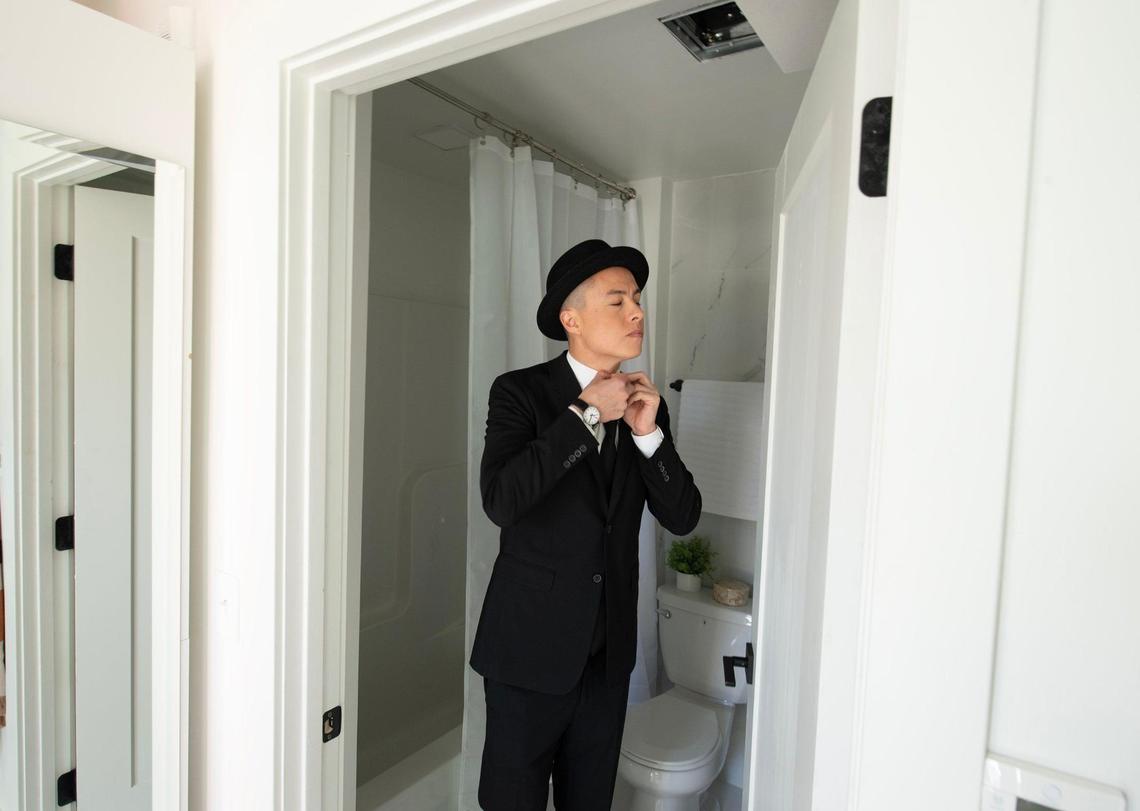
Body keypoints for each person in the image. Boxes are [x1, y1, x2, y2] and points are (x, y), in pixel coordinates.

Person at [470, 238, 703, 810]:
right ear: (570, 319)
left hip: (606, 659)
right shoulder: (520, 393)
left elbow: (682, 516)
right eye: (618, 300)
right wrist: (588, 412)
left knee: (590, 801)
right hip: (528, 652)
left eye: (639, 300)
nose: (638, 313)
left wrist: (649, 435)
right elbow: (502, 499)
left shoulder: (647, 403)